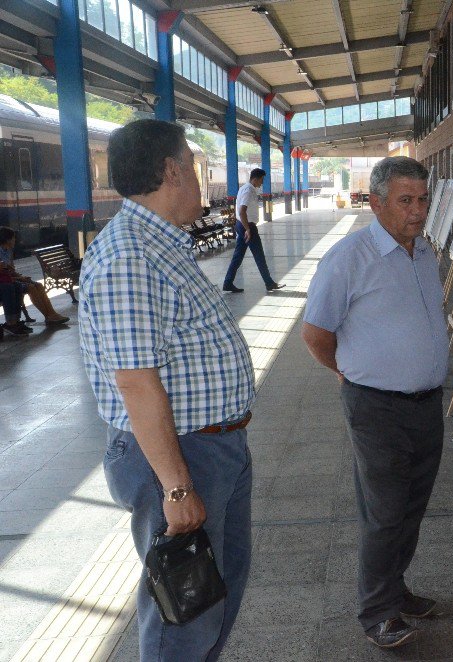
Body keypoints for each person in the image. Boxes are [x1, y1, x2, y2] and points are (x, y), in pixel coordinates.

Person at [78, 119, 256, 661]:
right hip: (178, 455)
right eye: (196, 169)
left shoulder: (161, 244)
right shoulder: (131, 256)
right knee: (185, 613)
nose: (202, 184)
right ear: (173, 171)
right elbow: (135, 381)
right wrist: (177, 487)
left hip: (211, 447)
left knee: (214, 597)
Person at [302, 156, 446, 649]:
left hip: (427, 402)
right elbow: (316, 333)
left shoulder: (423, 252)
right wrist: (349, 372)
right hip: (377, 407)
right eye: (406, 201)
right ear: (377, 202)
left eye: (424, 199)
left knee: (412, 506)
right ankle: (376, 611)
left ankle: (395, 589)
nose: (418, 211)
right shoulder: (349, 257)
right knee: (385, 511)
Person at [222, 168, 284, 293]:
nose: (261, 183)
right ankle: (269, 283)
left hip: (243, 225)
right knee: (259, 255)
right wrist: (247, 229)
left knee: (238, 256)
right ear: (256, 178)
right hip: (248, 226)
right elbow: (241, 211)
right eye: (261, 180)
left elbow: (239, 210)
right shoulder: (248, 190)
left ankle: (228, 283)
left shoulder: (245, 188)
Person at [0, 227, 70, 326]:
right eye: (13, 238)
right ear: (7, 239)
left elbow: (11, 271)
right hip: (7, 282)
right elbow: (4, 276)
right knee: (31, 287)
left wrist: (20, 276)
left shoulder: (9, 251)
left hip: (13, 279)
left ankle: (52, 313)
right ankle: (48, 316)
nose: (15, 240)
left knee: (39, 285)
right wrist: (20, 278)